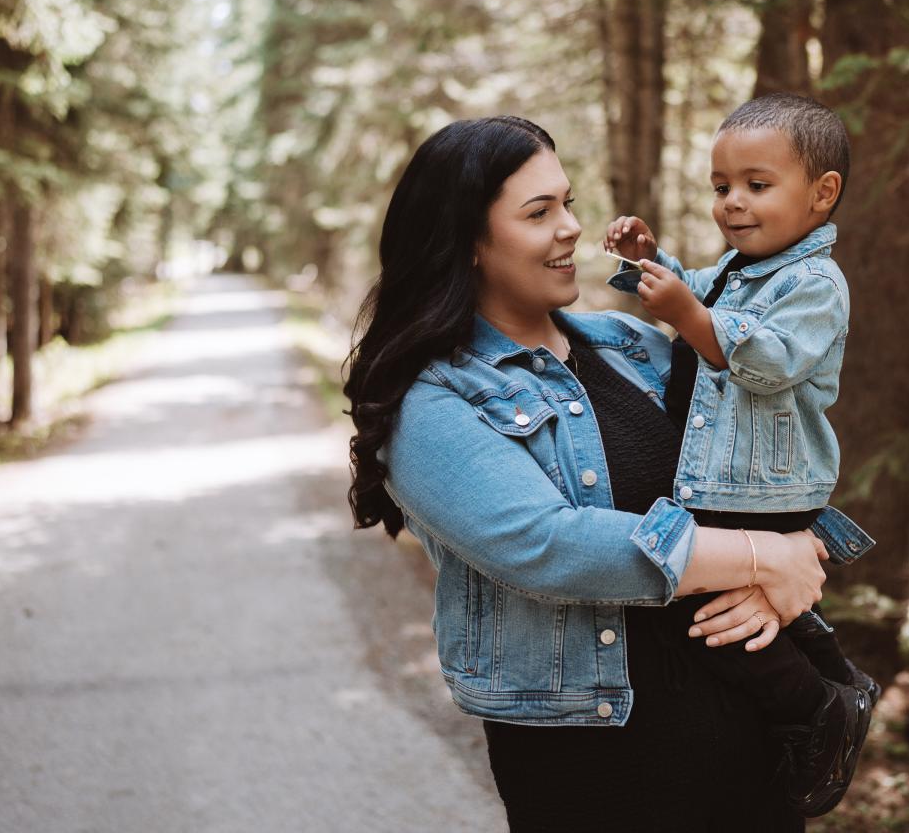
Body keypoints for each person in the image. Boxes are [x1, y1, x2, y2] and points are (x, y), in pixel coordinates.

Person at [344, 115, 866, 832]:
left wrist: (790, 565)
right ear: (466, 240)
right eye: (539, 213)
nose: (571, 228)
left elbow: (759, 460)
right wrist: (761, 557)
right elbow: (547, 545)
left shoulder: (633, 346)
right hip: (601, 780)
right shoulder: (433, 401)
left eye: (567, 202)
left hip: (755, 767)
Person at [603, 92, 879, 816]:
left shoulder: (815, 283)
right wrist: (647, 264)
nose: (733, 202)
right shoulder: (739, 268)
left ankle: (819, 709)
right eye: (721, 187)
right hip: (728, 480)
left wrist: (691, 317)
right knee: (726, 611)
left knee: (710, 620)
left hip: (766, 486)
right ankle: (826, 670)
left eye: (757, 185)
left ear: (822, 195)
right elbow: (695, 295)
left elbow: (770, 362)